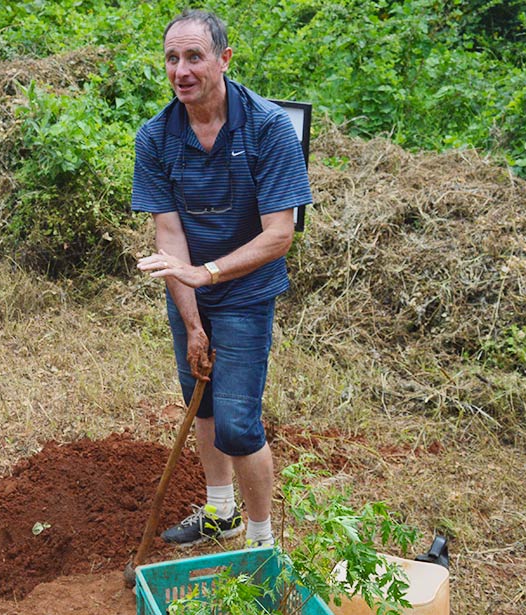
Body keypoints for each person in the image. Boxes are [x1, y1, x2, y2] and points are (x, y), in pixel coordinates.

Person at [134, 9, 312, 548]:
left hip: (245, 295)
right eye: (172, 58)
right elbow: (169, 237)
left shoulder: (267, 127)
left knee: (237, 424)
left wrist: (207, 275)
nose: (181, 70)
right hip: (188, 293)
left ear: (224, 60)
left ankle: (262, 542)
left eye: (194, 56)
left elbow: (280, 233)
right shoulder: (156, 136)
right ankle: (220, 512)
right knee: (202, 404)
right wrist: (191, 319)